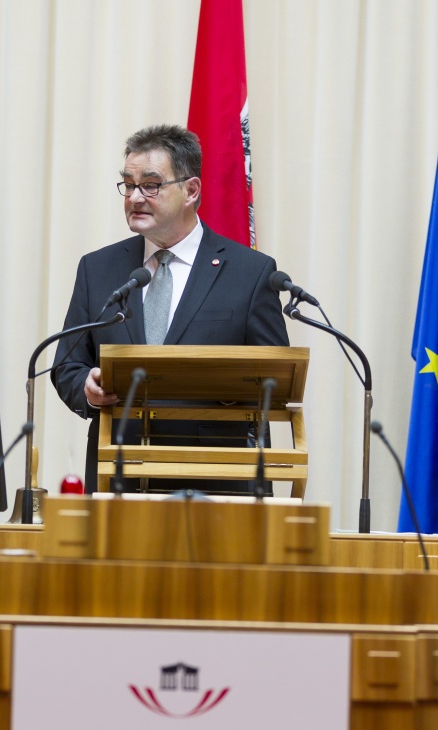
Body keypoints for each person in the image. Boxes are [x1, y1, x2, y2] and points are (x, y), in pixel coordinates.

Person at [51, 124, 289, 493]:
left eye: (151, 184)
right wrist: (86, 386)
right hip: (119, 477)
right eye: (128, 185)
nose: (134, 197)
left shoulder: (251, 273)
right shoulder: (98, 269)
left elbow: (275, 377)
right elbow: (67, 364)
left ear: (191, 190)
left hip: (216, 483)